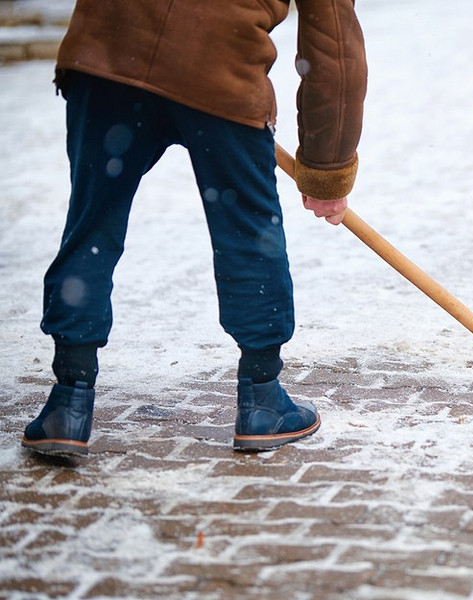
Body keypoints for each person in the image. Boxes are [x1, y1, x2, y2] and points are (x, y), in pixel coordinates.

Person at [21, 0, 367, 457]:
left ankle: (68, 403)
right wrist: (327, 169)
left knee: (92, 226)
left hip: (111, 53)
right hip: (220, 72)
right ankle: (262, 399)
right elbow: (334, 45)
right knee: (247, 233)